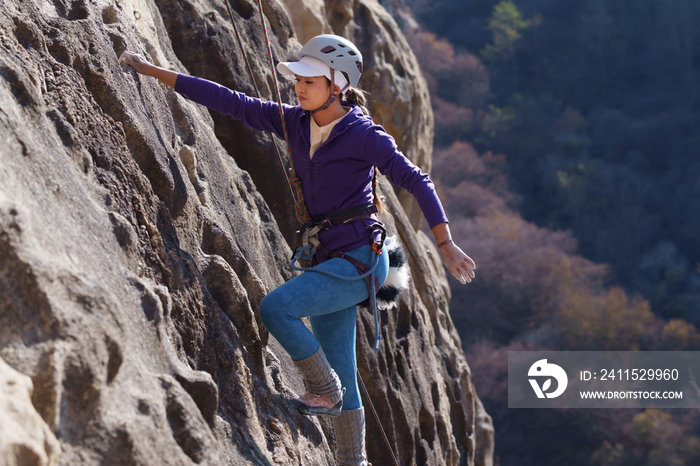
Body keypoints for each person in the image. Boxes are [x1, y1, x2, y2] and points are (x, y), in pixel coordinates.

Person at [119, 33, 476, 466]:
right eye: (298, 79)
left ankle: (325, 394)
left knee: (277, 309)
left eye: (310, 79)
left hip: (361, 259)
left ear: (337, 84)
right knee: (342, 363)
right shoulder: (296, 122)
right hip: (332, 258)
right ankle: (353, 459)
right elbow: (232, 101)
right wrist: (153, 71)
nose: (299, 86)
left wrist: (446, 244)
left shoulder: (364, 135)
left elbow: (417, 180)